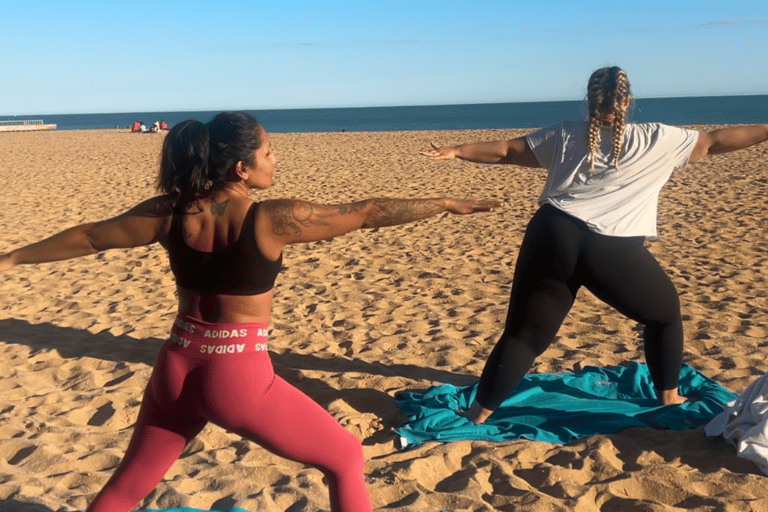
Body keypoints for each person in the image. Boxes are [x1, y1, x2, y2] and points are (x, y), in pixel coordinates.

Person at [0, 111, 500, 512]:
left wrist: (12, 257)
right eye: (268, 151)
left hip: (175, 365)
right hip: (234, 376)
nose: (274, 159)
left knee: (127, 487)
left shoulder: (169, 212)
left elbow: (90, 237)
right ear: (241, 168)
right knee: (346, 456)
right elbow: (366, 213)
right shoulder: (270, 218)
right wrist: (443, 203)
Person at [421, 66, 768, 424]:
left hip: (551, 232)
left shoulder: (564, 133)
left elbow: (506, 151)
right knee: (665, 316)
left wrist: (458, 151)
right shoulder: (658, 137)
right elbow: (714, 141)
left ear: (588, 102)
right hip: (610, 247)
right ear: (628, 101)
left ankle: (477, 414)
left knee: (523, 336)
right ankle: (669, 396)